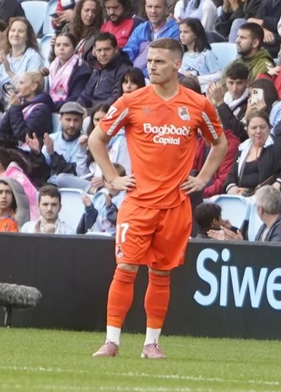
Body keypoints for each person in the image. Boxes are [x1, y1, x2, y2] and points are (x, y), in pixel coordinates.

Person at [88, 38, 227, 359]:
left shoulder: (197, 104)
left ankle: (151, 343)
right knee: (125, 268)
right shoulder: (130, 101)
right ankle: (111, 341)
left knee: (161, 273)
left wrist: (204, 178)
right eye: (149, 61)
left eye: (159, 62)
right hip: (138, 204)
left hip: (176, 206)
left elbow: (218, 143)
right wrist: (112, 177)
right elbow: (97, 139)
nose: (151, 66)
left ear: (177, 65)